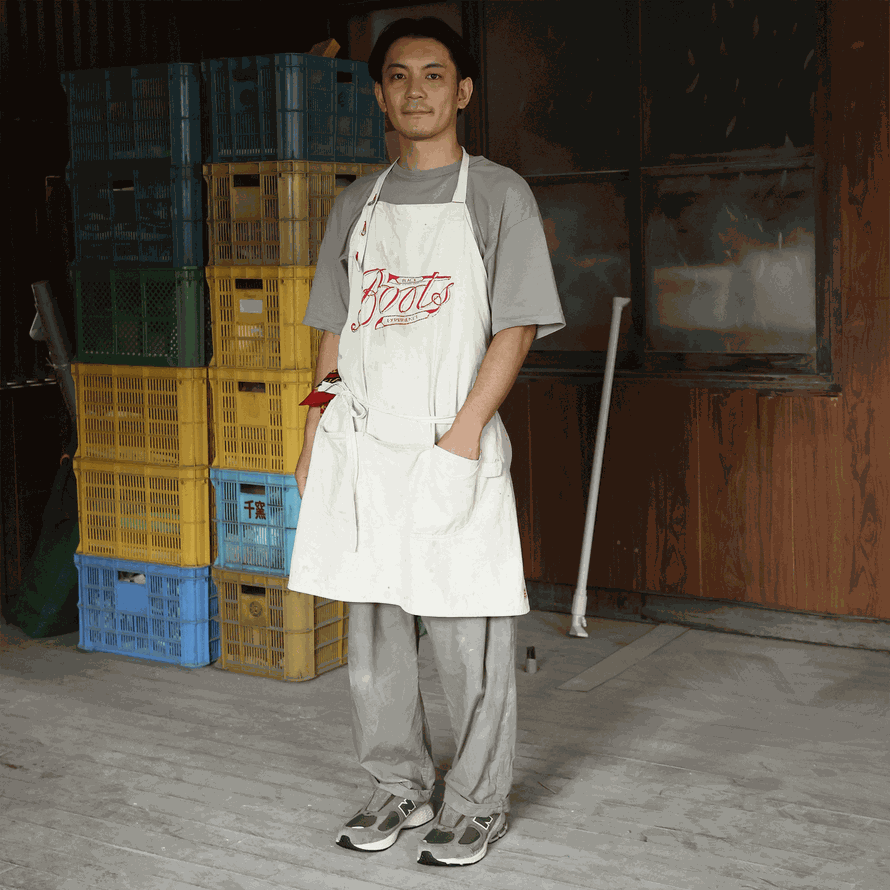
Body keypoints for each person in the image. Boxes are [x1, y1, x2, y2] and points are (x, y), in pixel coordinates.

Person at [287, 16, 565, 867]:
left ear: (463, 91)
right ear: (380, 95)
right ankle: (398, 786)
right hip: (365, 441)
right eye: (399, 76)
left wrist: (464, 432)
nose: (416, 90)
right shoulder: (356, 204)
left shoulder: (498, 195)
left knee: (466, 634)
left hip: (451, 437)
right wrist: (313, 430)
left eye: (434, 75)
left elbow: (517, 325)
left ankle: (477, 801)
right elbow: (334, 331)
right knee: (373, 637)